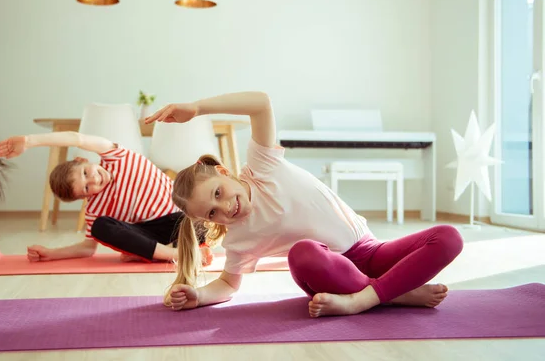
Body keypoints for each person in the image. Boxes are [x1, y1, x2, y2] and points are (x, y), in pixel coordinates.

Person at [143, 91, 464, 317]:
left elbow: (260, 103)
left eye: (218, 193)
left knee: (449, 237)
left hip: (371, 251)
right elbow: (228, 284)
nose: (225, 208)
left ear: (225, 173)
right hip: (326, 272)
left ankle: (374, 296)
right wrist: (198, 296)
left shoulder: (262, 167)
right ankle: (380, 296)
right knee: (303, 252)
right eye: (212, 213)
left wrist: (197, 108)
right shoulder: (239, 239)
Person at [0, 131, 213, 265]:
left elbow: (75, 137)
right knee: (100, 226)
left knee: (201, 216)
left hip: (183, 217)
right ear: (84, 198)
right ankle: (178, 254)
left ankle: (158, 252)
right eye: (87, 189)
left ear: (82, 159)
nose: (94, 181)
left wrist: (29, 141)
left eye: (86, 173)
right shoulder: (95, 208)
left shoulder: (116, 155)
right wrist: (51, 254)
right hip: (153, 233)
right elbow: (88, 248)